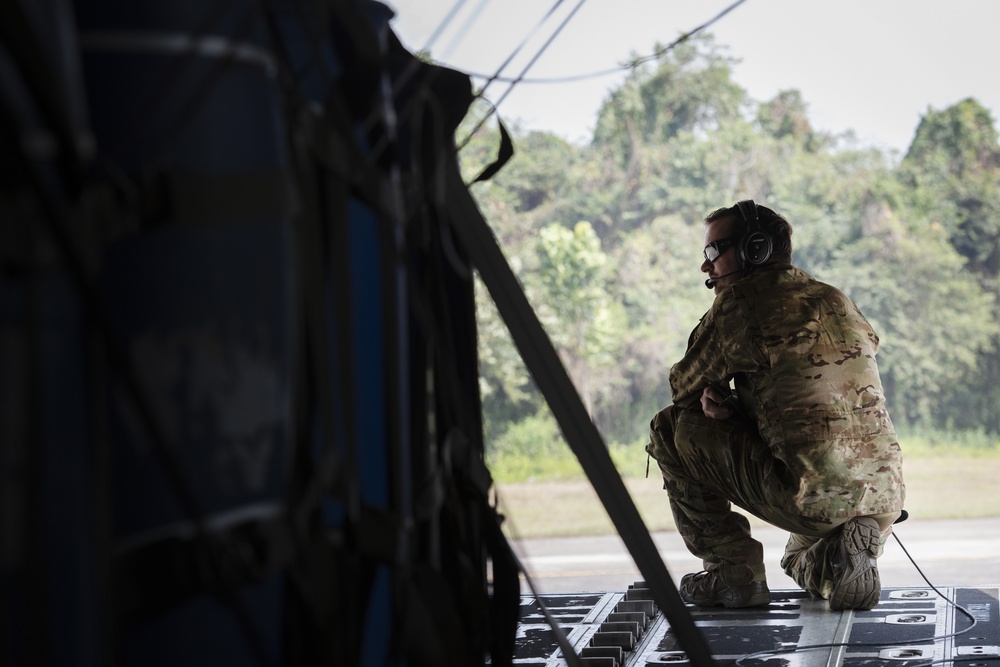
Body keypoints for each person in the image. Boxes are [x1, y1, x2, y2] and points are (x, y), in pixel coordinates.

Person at [646, 200, 905, 611]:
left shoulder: (742, 302)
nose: (706, 266)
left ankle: (733, 574)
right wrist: (736, 410)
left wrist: (713, 397)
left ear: (755, 249)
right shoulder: (835, 299)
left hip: (812, 499)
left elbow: (683, 386)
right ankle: (843, 557)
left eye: (714, 252)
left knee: (670, 427)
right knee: (796, 560)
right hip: (884, 496)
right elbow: (807, 392)